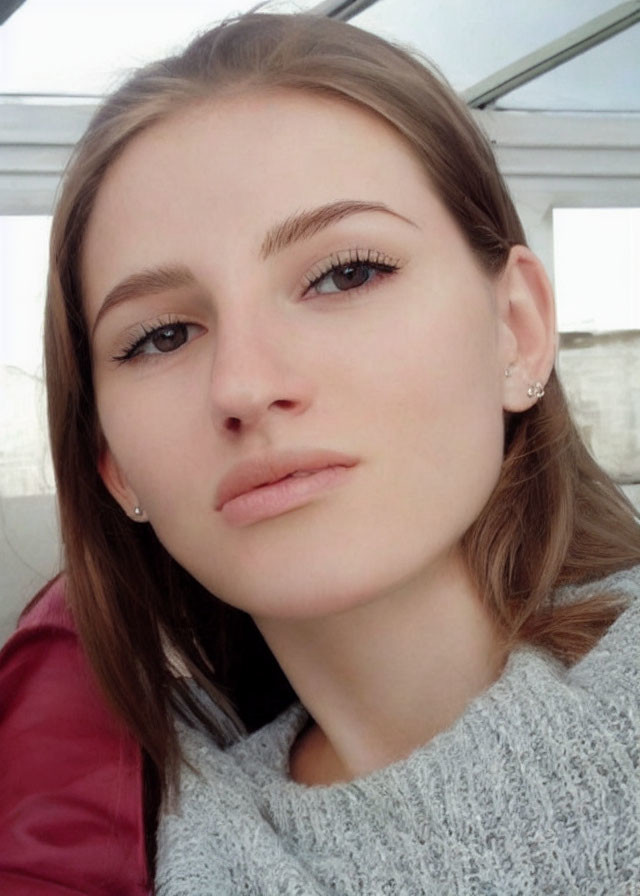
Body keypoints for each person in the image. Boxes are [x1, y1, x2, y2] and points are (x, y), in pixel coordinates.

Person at [2, 11, 640, 894]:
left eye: (347, 273)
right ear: (114, 466)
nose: (243, 385)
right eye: (160, 336)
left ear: (518, 330)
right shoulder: (136, 856)